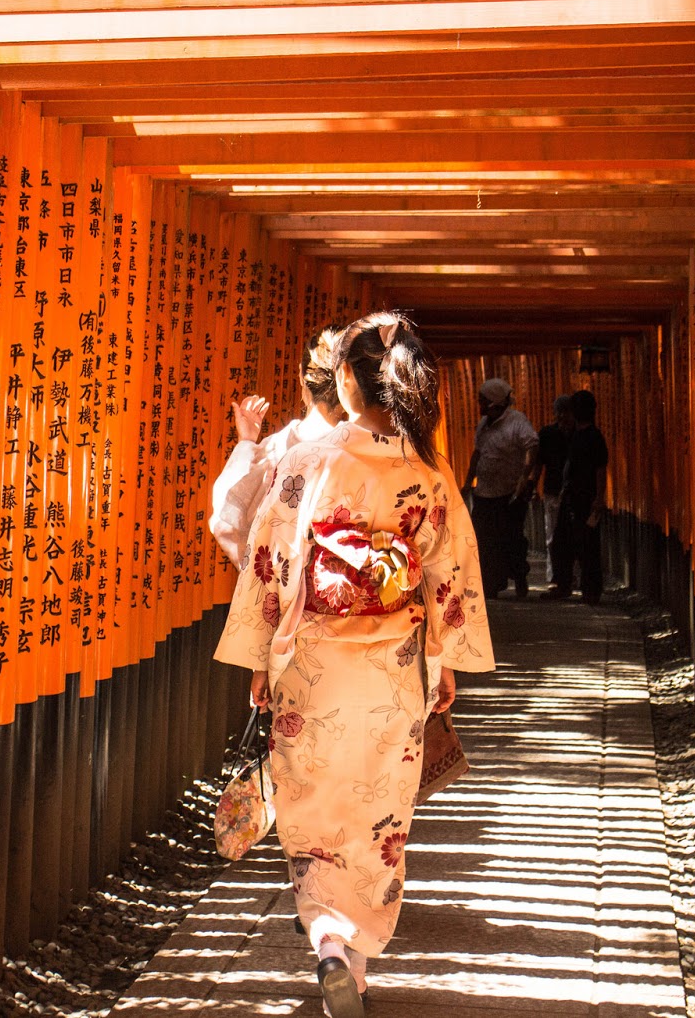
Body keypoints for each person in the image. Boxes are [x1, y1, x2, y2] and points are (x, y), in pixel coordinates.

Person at [215, 313, 496, 1018]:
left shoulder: (307, 463)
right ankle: (357, 961)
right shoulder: (424, 470)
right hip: (393, 668)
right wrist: (445, 661)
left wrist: (257, 659)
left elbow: (270, 561)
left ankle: (330, 942)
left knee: (312, 815)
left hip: (310, 664)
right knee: (378, 818)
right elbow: (446, 573)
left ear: (345, 379)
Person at [209, 326, 344, 568]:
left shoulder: (276, 449)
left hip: (277, 593)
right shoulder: (364, 450)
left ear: (302, 374)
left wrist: (247, 443)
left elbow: (226, 518)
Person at [461, 377, 538, 599]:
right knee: (484, 539)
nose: (480, 405)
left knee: (511, 538)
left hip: (509, 493)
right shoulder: (484, 424)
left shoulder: (517, 422)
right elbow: (478, 453)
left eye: (482, 401)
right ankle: (491, 583)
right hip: (484, 492)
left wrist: (524, 477)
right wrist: (468, 481)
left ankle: (520, 577)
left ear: (495, 402)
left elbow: (532, 445)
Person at [547, 389, 609, 604]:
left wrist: (599, 498)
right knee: (562, 542)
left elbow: (601, 469)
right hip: (571, 497)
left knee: (587, 545)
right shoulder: (575, 434)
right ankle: (564, 584)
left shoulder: (593, 436)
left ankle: (591, 591)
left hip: (586, 498)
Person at [536, 395, 575, 591]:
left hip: (574, 494)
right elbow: (538, 463)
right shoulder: (547, 434)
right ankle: (555, 575)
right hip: (552, 490)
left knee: (572, 537)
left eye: (566, 411)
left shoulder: (578, 435)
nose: (562, 416)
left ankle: (571, 575)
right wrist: (532, 485)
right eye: (558, 411)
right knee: (552, 535)